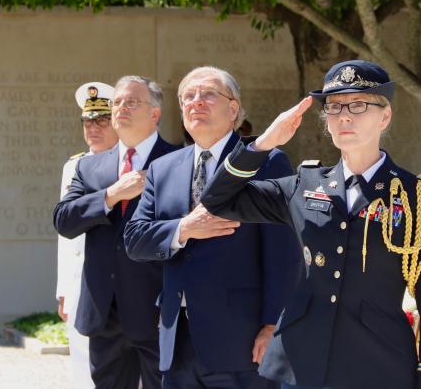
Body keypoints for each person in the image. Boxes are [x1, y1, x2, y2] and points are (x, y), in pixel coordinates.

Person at [201, 60, 421, 389]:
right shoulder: (303, 185)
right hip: (300, 366)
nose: (344, 116)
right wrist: (263, 144)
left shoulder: (416, 198)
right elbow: (217, 200)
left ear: (385, 116)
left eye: (359, 104)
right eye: (333, 107)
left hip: (378, 368)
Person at [124, 66, 301, 389]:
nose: (196, 102)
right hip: (176, 342)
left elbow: (284, 254)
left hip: (243, 342)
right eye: (187, 97)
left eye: (208, 94)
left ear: (233, 108)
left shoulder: (266, 162)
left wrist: (272, 323)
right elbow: (135, 240)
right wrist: (184, 228)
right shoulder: (163, 169)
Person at [54, 76, 180, 389]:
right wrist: (111, 195)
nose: (121, 108)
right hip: (106, 317)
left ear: (154, 114)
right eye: (118, 103)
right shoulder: (90, 167)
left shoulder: (180, 161)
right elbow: (64, 221)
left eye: (132, 102)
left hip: (158, 312)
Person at [56, 81, 119, 389]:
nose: (93, 127)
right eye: (88, 120)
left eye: (102, 120)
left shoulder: (130, 164)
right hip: (80, 284)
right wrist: (63, 289)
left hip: (115, 286)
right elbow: (65, 237)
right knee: (81, 368)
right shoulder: (74, 166)